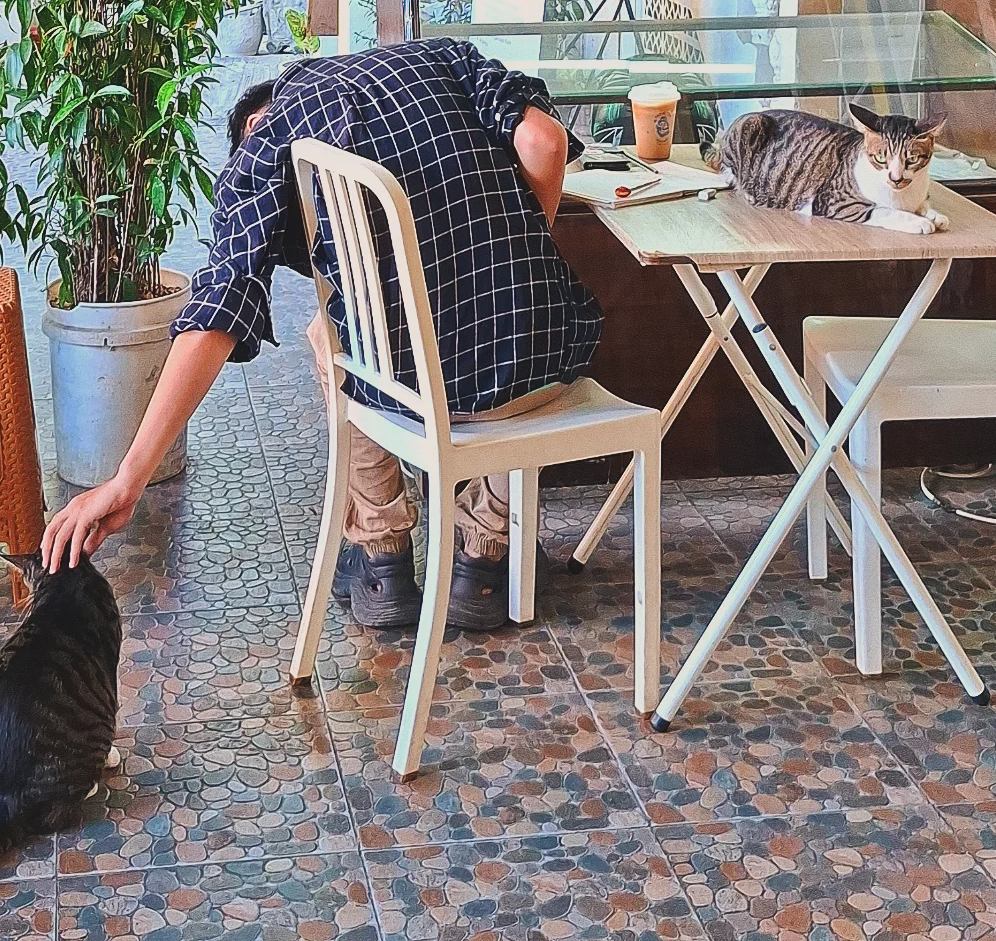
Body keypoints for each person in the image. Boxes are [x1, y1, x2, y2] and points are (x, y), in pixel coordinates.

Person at [41, 39, 604, 631]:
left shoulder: (270, 137)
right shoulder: (445, 57)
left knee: (341, 339)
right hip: (544, 362)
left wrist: (129, 477)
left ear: (254, 123)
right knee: (471, 321)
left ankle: (380, 555)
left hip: (414, 397)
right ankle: (488, 557)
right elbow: (545, 142)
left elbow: (218, 310)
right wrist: (522, 260)